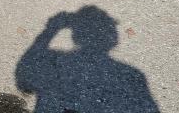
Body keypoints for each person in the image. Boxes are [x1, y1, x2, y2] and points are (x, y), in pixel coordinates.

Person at [16, 6, 160, 113]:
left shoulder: (54, 61)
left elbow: (24, 79)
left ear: (75, 36)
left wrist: (50, 30)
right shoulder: (133, 75)